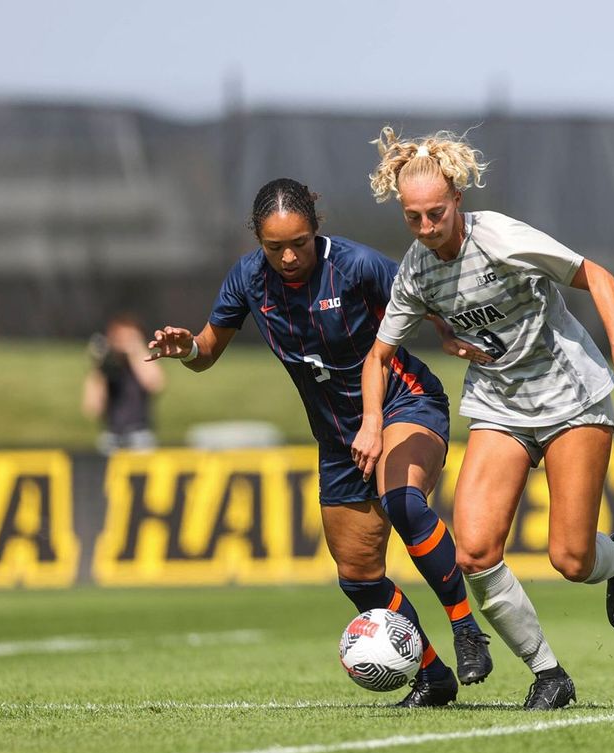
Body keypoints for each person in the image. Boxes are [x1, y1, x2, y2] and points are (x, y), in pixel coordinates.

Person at [145, 178, 492, 707]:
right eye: (274, 246)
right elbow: (208, 350)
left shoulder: (356, 266)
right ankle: (431, 674)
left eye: (299, 243)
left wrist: (448, 333)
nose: (287, 256)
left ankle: (465, 627)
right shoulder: (247, 279)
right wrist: (186, 346)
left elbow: (423, 297)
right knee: (357, 575)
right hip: (337, 439)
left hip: (406, 403)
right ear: (257, 241)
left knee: (402, 500)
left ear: (316, 230)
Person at [353, 128, 614, 710]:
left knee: (571, 559)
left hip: (571, 397)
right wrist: (372, 421)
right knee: (473, 551)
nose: (424, 228)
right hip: (499, 405)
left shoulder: (501, 239)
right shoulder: (417, 270)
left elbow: (598, 276)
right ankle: (549, 674)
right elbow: (379, 355)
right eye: (412, 217)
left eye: (435, 214)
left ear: (457, 200)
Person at [82, 313, 165, 454]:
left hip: (140, 435)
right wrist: (100, 366)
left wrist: (136, 351)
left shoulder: (140, 361)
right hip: (112, 436)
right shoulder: (106, 367)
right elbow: (92, 408)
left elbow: (155, 384)